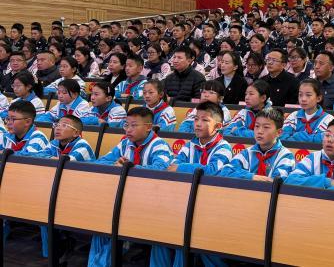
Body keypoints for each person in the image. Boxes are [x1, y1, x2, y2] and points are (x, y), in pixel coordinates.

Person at [89, 107, 173, 267]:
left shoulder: (160, 145)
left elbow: (160, 170)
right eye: (126, 125)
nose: (128, 129)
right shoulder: (125, 144)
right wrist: (115, 164)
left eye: (134, 125)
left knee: (116, 224)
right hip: (126, 199)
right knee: (100, 224)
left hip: (154, 203)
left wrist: (130, 167)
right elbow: (101, 161)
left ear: (148, 127)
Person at [219, 107, 295, 180]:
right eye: (257, 126)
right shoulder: (247, 153)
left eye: (266, 127)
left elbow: (276, 181)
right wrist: (251, 177)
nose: (259, 131)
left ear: (279, 132)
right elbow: (225, 171)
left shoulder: (286, 156)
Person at [168, 102, 233, 176]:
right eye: (196, 119)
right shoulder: (189, 145)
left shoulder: (224, 148)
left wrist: (181, 168)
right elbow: (173, 166)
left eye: (204, 120)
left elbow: (213, 171)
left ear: (217, 126)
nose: (198, 124)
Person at [30, 115, 95, 161]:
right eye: (57, 125)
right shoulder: (54, 143)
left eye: (64, 125)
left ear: (76, 133)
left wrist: (48, 158)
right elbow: (37, 155)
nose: (58, 128)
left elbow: (67, 162)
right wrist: (50, 158)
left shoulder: (83, 146)